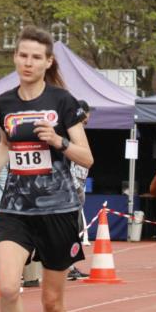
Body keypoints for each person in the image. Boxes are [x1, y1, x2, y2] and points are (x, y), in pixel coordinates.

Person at [0, 25, 93, 312]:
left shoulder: (64, 102)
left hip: (58, 210)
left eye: (35, 57)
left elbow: (87, 157)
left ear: (47, 63)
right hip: (15, 207)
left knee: (51, 300)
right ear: (15, 58)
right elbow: (4, 144)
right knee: (8, 287)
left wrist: (58, 140)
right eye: (22, 55)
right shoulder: (5, 103)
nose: (27, 62)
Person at [67, 100, 92, 280]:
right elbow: (69, 166)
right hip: (71, 190)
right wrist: (77, 189)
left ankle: (70, 265)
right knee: (68, 230)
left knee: (73, 231)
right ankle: (66, 267)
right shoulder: (70, 135)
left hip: (77, 188)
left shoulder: (80, 134)